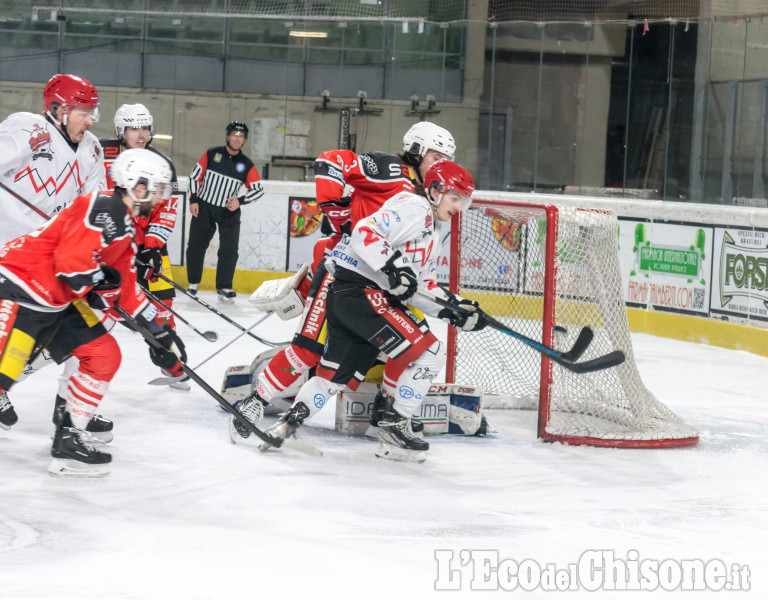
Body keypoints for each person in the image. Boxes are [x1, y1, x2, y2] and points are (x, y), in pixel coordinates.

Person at [230, 121, 456, 442]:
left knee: (410, 348)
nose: (442, 164)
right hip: (346, 272)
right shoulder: (392, 169)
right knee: (308, 351)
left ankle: (387, 413)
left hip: (382, 286)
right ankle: (255, 402)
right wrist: (335, 208)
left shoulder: (427, 193)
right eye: (436, 156)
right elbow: (330, 161)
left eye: (447, 158)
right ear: (416, 151)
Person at [263, 159, 486, 462]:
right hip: (362, 293)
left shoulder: (432, 233)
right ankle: (394, 427)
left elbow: (419, 286)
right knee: (430, 352)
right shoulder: (416, 208)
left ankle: (285, 426)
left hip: (350, 298)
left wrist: (453, 307)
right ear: (434, 190)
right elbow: (365, 232)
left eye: (464, 200)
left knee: (333, 378)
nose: (459, 206)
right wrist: (394, 268)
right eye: (454, 197)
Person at [0, 148, 182, 476]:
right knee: (3, 375)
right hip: (18, 289)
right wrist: (99, 282)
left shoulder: (125, 229)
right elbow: (71, 265)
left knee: (103, 355)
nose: (160, 197)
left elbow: (126, 293)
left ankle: (69, 437)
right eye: (158, 189)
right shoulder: (105, 208)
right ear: (138, 185)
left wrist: (162, 334)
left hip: (56, 302)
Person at [0, 73, 106, 430]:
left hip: (52, 264)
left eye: (93, 111)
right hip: (10, 258)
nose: (90, 119)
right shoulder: (28, 129)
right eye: (83, 111)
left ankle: (71, 407)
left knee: (91, 328)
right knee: (19, 332)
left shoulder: (91, 148)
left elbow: (95, 207)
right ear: (58, 109)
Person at [101, 104, 188, 390]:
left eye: (145, 128)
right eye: (134, 128)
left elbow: (168, 210)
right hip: (111, 252)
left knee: (163, 315)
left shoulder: (162, 164)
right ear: (120, 130)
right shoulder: (100, 154)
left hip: (150, 251)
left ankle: (176, 367)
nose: (141, 134)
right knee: (114, 311)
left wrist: (152, 246)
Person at [185, 121, 264, 303]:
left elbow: (258, 190)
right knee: (196, 247)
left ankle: (224, 286)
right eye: (234, 135)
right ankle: (193, 284)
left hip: (228, 211)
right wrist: (193, 200)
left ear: (244, 140)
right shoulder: (212, 153)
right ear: (227, 136)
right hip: (204, 207)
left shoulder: (246, 164)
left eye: (241, 136)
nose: (237, 138)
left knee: (229, 250)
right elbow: (195, 176)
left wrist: (240, 201)